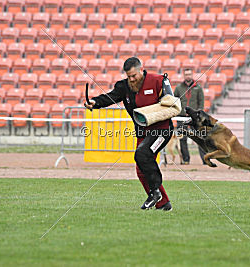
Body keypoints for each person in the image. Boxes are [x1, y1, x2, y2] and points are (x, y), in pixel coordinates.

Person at [84, 57, 174, 210]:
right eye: (129, 76)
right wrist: (95, 102)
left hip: (162, 130)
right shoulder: (124, 87)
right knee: (140, 169)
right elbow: (110, 97)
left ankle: (155, 192)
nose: (132, 79)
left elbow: (171, 103)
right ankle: (163, 203)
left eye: (134, 76)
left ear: (141, 70)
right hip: (143, 132)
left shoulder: (158, 81)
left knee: (142, 154)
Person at [174, 68, 206, 165]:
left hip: (194, 117)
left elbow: (201, 102)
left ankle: (205, 160)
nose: (188, 76)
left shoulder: (198, 88)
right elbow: (175, 100)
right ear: (184, 76)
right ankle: (186, 159)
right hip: (182, 117)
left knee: (200, 137)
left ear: (192, 75)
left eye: (189, 74)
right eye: (186, 74)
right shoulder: (179, 88)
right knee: (182, 138)